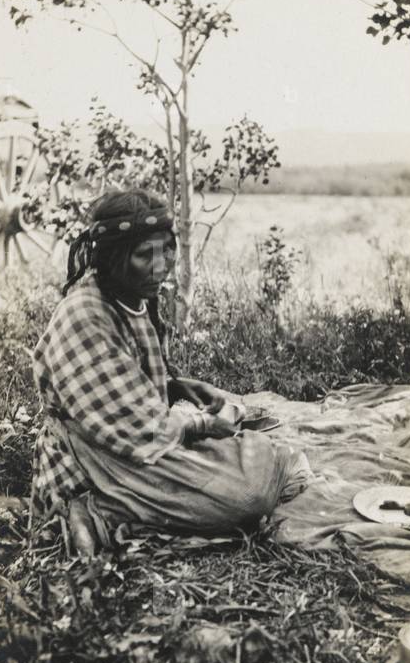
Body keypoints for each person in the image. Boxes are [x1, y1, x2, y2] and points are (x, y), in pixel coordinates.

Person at [31, 189, 310, 554]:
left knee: (268, 470)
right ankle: (94, 509)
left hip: (134, 438)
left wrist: (177, 387)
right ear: (113, 257)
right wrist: (204, 424)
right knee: (247, 498)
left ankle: (132, 505)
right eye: (144, 254)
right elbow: (134, 426)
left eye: (166, 250)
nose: (160, 265)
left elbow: (128, 375)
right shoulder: (86, 315)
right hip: (99, 456)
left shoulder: (129, 294)